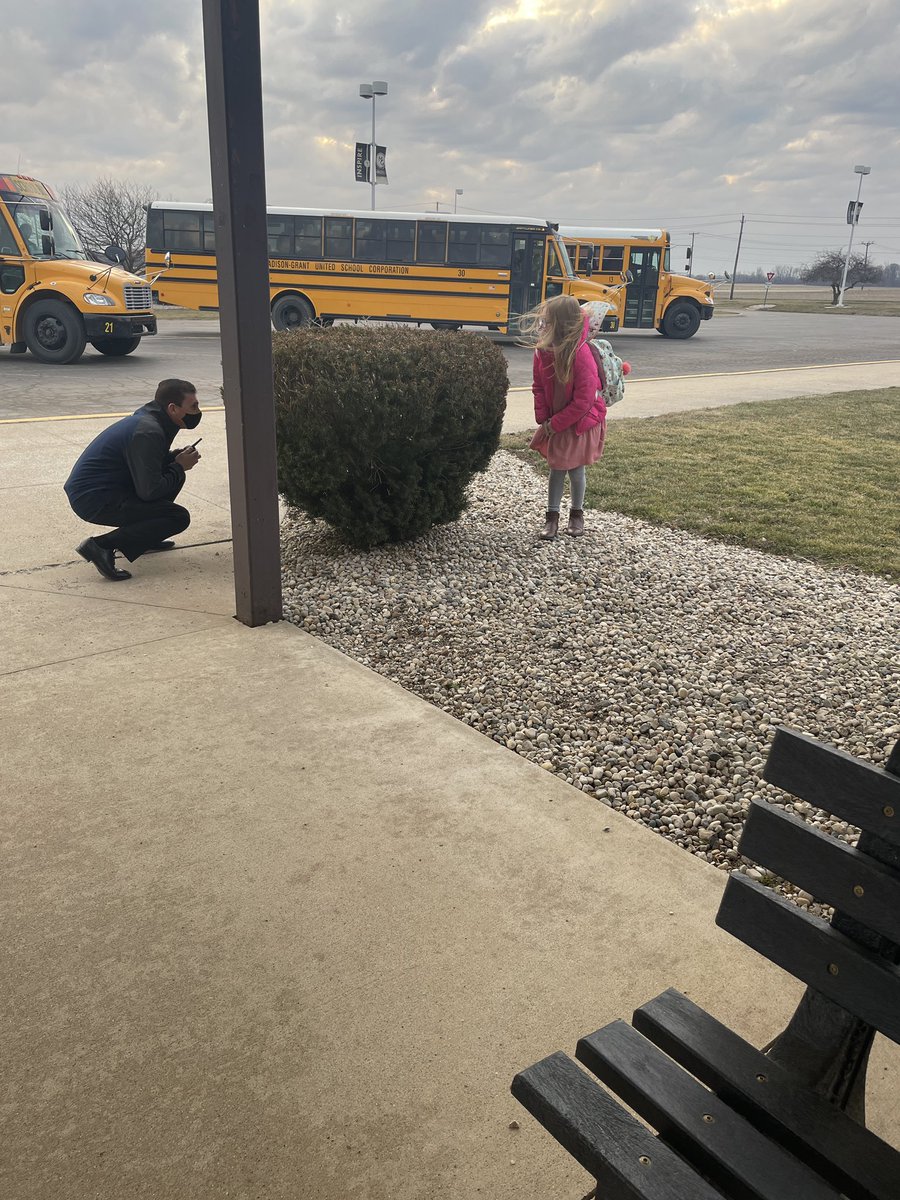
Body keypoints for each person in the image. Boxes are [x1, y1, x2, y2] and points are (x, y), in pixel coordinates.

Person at [64, 378, 202, 581]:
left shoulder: (154, 420)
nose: (197, 411)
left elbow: (147, 464)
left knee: (174, 474)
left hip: (106, 489)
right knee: (178, 517)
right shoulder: (149, 431)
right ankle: (101, 546)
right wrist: (179, 466)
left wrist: (173, 458)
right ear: (173, 408)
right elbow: (150, 490)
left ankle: (148, 535)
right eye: (194, 406)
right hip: (93, 499)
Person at [526, 294, 606, 540]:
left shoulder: (581, 354)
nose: (544, 324)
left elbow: (583, 401)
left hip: (580, 422)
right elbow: (538, 386)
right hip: (556, 422)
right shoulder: (543, 351)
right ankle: (552, 518)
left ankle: (576, 514)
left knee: (576, 470)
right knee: (556, 469)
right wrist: (543, 418)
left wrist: (555, 424)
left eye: (549, 320)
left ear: (561, 322)